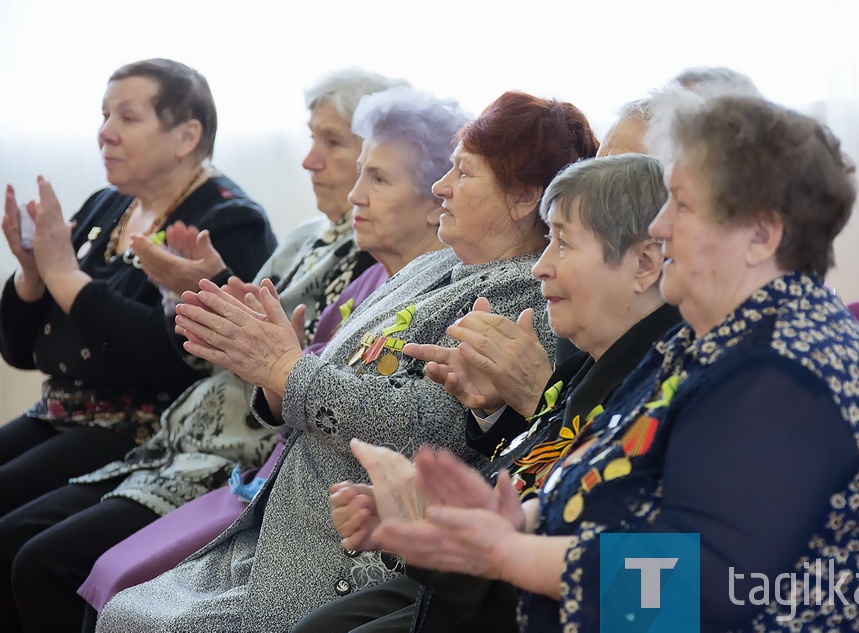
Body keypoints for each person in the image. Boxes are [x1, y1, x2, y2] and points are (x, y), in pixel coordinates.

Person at [369, 95, 859, 632]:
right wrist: (502, 520)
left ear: (759, 236)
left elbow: (698, 593)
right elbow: (598, 469)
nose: (658, 229)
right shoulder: (717, 341)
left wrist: (504, 552)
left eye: (681, 206)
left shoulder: (788, 370)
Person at [95, 90, 597, 632]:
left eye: (463, 173)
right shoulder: (436, 266)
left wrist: (285, 368)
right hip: (294, 525)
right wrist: (273, 374)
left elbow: (428, 428)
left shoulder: (525, 298)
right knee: (123, 605)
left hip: (349, 554)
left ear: (523, 197)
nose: (440, 188)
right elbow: (339, 372)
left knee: (131, 616)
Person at [71, 69, 408, 626]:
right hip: (193, 437)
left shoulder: (381, 264)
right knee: (86, 573)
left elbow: (310, 380)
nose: (309, 161)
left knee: (73, 569)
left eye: (333, 142)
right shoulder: (307, 237)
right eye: (310, 138)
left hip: (250, 458)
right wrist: (205, 292)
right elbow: (221, 357)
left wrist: (66, 277)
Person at [296, 153, 683, 633]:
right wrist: (432, 516)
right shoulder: (602, 358)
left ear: (647, 261)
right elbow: (541, 467)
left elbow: (661, 596)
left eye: (563, 243)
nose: (541, 267)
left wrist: (440, 533)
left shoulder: (694, 386)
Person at [0, 57, 278, 631]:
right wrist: (33, 274)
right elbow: (22, 350)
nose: (105, 132)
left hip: (141, 425)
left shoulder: (230, 221)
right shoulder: (109, 206)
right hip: (64, 409)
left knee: (18, 544)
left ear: (186, 136)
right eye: (104, 115)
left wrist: (64, 277)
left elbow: (166, 360)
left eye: (126, 116)